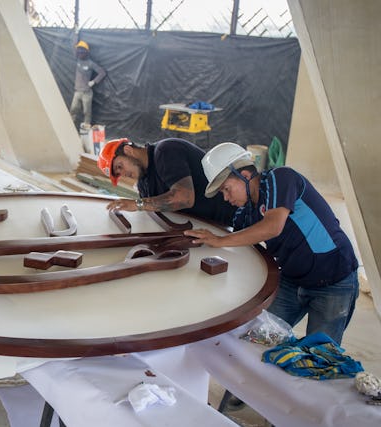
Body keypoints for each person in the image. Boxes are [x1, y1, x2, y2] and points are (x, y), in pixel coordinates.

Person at [184, 142, 359, 345]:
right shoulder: (246, 213)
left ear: (245, 175)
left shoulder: (281, 178)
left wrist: (219, 240)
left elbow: (272, 226)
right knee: (260, 338)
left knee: (319, 353)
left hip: (334, 280)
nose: (226, 197)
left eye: (226, 189)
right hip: (291, 280)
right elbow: (241, 248)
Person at [97, 137, 237, 226]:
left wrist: (138, 204)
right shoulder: (144, 184)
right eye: (118, 174)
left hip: (234, 223)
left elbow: (184, 198)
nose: (123, 174)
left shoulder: (166, 151)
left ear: (128, 150)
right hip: (207, 230)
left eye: (119, 166)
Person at [70, 40, 106, 129]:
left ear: (86, 52)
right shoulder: (77, 59)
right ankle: (69, 127)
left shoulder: (90, 63)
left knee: (87, 112)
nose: (79, 52)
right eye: (78, 50)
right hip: (77, 91)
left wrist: (93, 82)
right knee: (73, 110)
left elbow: (102, 72)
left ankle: (86, 129)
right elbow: (73, 48)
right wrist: (75, 33)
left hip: (86, 92)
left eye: (82, 50)